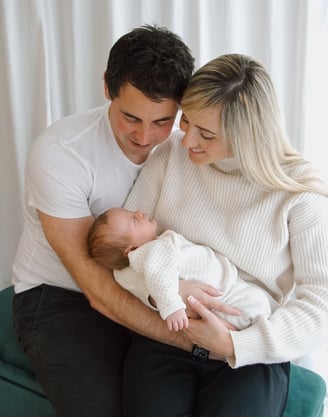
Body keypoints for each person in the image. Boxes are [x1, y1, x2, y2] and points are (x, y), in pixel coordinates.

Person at [120, 53, 328, 417]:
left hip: (248, 355)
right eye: (187, 121)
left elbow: (320, 303)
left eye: (207, 134)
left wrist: (236, 344)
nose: (186, 142)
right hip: (165, 336)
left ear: (250, 135)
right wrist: (166, 292)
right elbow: (122, 255)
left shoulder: (299, 193)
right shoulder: (170, 155)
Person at [11, 24, 201, 417]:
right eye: (130, 117)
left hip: (147, 284)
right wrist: (197, 342)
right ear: (106, 88)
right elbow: (94, 285)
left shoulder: (188, 146)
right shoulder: (61, 152)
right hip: (62, 295)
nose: (145, 136)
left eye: (162, 121)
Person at [87, 206, 273, 331]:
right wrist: (171, 307)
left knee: (257, 306)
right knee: (258, 306)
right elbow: (159, 277)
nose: (138, 212)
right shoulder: (153, 251)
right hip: (223, 293)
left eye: (131, 212)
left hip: (223, 290)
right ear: (132, 249)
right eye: (133, 221)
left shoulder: (125, 271)